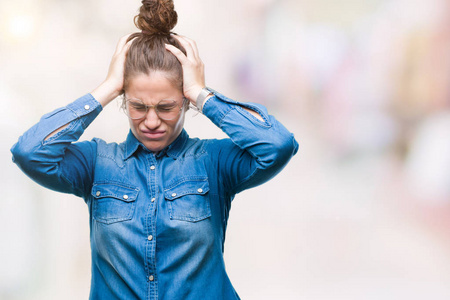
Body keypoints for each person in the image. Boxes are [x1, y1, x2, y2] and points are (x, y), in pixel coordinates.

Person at [11, 0, 298, 299]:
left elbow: (277, 145)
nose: (151, 121)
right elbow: (29, 151)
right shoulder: (97, 163)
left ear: (185, 101)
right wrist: (107, 88)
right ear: (124, 99)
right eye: (138, 106)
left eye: (166, 107)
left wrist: (203, 94)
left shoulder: (214, 162)